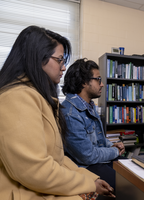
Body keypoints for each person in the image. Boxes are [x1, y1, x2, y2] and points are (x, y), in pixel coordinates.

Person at [0, 26, 115, 200]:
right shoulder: (17, 97)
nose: (63, 67)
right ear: (38, 58)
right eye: (60, 60)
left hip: (40, 185)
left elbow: (58, 159)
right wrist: (89, 184)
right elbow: (35, 171)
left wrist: (91, 179)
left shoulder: (43, 99)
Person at [61, 58, 125, 190]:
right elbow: (87, 156)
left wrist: (112, 145)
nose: (102, 84)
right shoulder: (70, 112)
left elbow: (99, 140)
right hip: (85, 166)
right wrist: (115, 151)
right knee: (127, 185)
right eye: (98, 79)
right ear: (84, 82)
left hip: (97, 160)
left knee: (135, 171)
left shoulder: (89, 105)